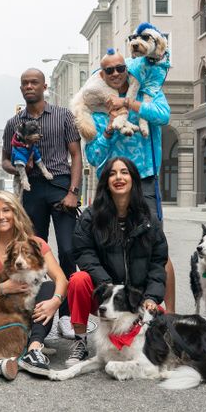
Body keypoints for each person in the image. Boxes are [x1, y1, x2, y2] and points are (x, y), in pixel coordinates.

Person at [84, 50, 176, 312]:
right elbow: (94, 156)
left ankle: (168, 314)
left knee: (159, 249)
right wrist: (110, 128)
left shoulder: (147, 89)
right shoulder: (96, 107)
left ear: (128, 68)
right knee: (116, 250)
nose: (115, 74)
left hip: (144, 180)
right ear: (101, 74)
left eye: (120, 68)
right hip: (110, 186)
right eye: (108, 70)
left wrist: (129, 104)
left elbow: (163, 116)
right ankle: (121, 312)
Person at [65, 157, 168, 367]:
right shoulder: (90, 217)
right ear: (105, 181)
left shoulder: (149, 219)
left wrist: (151, 297)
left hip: (134, 299)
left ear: (133, 180)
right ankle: (80, 341)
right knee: (78, 279)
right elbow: (83, 253)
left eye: (124, 172)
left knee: (163, 329)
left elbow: (158, 262)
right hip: (102, 295)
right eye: (112, 173)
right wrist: (106, 285)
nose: (118, 177)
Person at [2, 68, 81, 336]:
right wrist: (19, 167)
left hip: (60, 184)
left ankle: (67, 316)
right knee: (33, 254)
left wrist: (74, 191)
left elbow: (76, 155)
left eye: (34, 82)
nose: (29, 86)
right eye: (24, 83)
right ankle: (35, 315)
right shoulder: (14, 123)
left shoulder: (63, 115)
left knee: (69, 251)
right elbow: (4, 160)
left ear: (44, 86)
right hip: (31, 188)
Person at [0, 191, 69, 379]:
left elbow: (61, 279)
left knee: (49, 288)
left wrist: (55, 301)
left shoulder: (35, 243)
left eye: (6, 210)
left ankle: (33, 349)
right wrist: (5, 287)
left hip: (24, 309)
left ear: (16, 212)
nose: (1, 216)